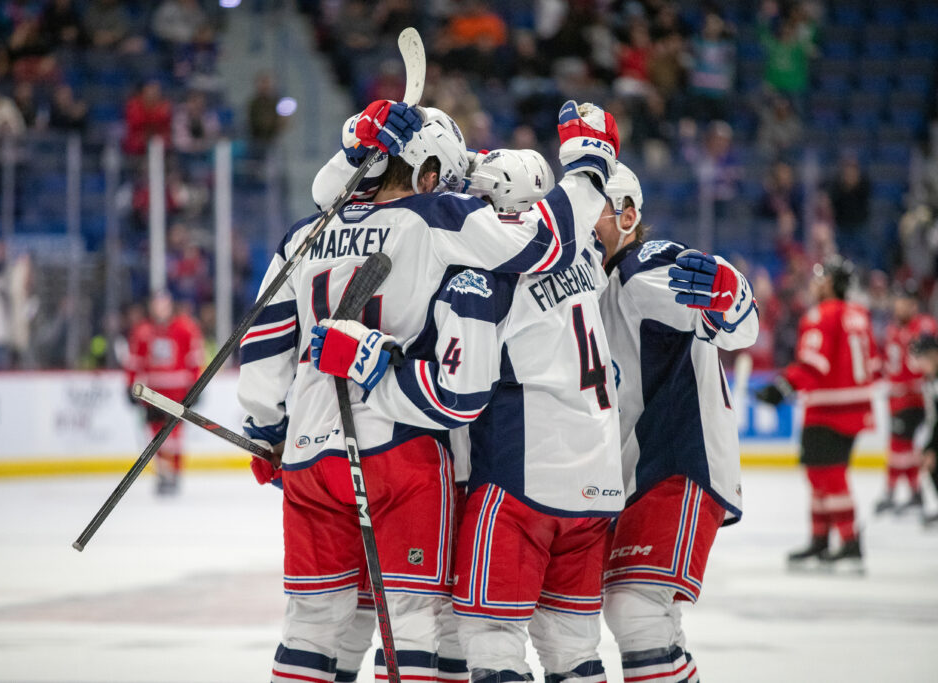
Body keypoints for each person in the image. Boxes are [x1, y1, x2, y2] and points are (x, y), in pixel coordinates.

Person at [237, 99, 616, 683]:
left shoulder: (303, 235)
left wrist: (267, 433)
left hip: (312, 455)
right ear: (429, 172)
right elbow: (545, 242)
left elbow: (262, 349)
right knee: (414, 622)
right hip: (403, 451)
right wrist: (589, 164)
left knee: (311, 625)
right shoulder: (438, 217)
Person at [596, 162, 758, 682]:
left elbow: (732, 324)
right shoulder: (586, 287)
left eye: (594, 208)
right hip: (637, 476)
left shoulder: (643, 267)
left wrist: (730, 300)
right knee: (639, 616)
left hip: (679, 463)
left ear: (627, 216)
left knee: (635, 608)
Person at [757, 256, 879, 571]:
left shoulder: (821, 315)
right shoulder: (860, 315)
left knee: (829, 476)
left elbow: (813, 364)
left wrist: (781, 386)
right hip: (856, 407)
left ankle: (849, 543)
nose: (816, 283)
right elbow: (874, 366)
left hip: (829, 409)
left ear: (834, 283)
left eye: (822, 278)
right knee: (821, 474)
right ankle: (821, 540)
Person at [125, 290, 204, 495]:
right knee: (155, 435)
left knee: (175, 436)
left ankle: (175, 473)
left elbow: (194, 361)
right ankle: (162, 473)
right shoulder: (143, 331)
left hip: (178, 393)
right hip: (152, 393)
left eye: (163, 303)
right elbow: (135, 363)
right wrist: (130, 386)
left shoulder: (185, 328)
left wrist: (197, 387)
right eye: (156, 304)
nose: (160, 308)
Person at [877, 280, 937, 514]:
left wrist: (911, 385)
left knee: (900, 445)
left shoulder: (923, 327)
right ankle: (914, 493)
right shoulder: (894, 328)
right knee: (904, 446)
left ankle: (894, 492)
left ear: (913, 304)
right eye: (898, 300)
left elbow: (927, 363)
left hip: (914, 398)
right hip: (897, 397)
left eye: (904, 301)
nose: (899, 305)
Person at [907, 334, 938, 525]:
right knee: (931, 467)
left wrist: (933, 449)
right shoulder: (930, 380)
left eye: (922, 357)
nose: (919, 363)